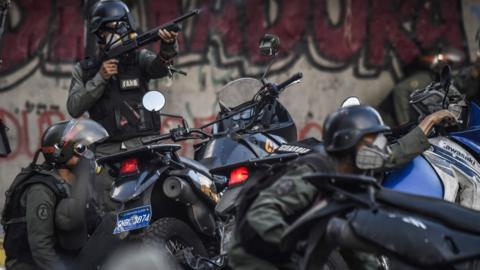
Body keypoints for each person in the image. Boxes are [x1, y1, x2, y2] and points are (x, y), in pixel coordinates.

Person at [228, 104, 458, 270]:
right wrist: (296, 251)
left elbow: (352, 243)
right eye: (370, 142)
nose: (378, 148)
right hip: (257, 259)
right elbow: (261, 214)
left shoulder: (352, 181)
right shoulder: (314, 173)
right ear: (347, 142)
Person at [66, 0, 179, 211]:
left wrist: (168, 46)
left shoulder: (138, 58)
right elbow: (74, 107)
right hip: (106, 154)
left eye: (115, 29)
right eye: (107, 31)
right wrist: (100, 78)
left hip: (145, 144)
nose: (111, 35)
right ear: (99, 34)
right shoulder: (86, 69)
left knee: (160, 201)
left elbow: (159, 69)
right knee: (106, 212)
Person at [1, 119, 109, 270]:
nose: (88, 155)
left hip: (66, 262)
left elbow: (97, 228)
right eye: (81, 148)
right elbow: (40, 248)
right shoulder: (41, 190)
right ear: (62, 151)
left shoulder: (75, 186)